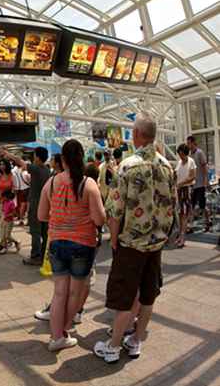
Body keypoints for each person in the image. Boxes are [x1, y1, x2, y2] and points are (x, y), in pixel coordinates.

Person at [96, 113, 176, 363]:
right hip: (156, 242)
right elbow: (171, 204)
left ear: (138, 135)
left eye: (132, 132)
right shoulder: (167, 165)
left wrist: (115, 238)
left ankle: (113, 346)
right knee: (148, 293)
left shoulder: (128, 165)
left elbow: (116, 209)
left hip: (132, 242)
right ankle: (136, 340)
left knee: (124, 294)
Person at [37, 139, 105, 352]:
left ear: (63, 159)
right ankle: (64, 331)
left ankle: (56, 337)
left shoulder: (52, 182)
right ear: (82, 157)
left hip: (57, 242)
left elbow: (41, 215)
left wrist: (61, 218)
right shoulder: (89, 184)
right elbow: (99, 219)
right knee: (75, 293)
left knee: (59, 293)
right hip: (82, 244)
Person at [2, 147, 52, 266]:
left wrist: (8, 154)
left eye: (34, 155)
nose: (33, 158)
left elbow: (20, 161)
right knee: (45, 232)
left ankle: (35, 256)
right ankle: (44, 255)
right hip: (46, 204)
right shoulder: (46, 170)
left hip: (36, 205)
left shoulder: (36, 168)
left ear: (38, 157)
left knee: (35, 231)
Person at [186, 135, 210, 232]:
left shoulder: (200, 153)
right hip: (193, 185)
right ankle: (190, 226)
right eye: (187, 143)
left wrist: (205, 181)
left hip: (200, 184)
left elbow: (204, 168)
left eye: (188, 143)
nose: (188, 145)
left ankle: (207, 222)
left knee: (202, 206)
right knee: (191, 206)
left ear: (193, 142)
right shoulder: (190, 155)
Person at [175, 144, 196, 248]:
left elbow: (192, 177)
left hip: (186, 190)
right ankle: (180, 235)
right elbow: (176, 175)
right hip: (179, 190)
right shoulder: (179, 162)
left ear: (185, 153)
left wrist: (181, 183)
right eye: (179, 154)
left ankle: (182, 237)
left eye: (182, 154)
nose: (180, 156)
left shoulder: (191, 161)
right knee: (180, 213)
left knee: (184, 214)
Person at [0, 189, 21, 255]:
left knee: (7, 236)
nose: (2, 198)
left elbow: (14, 213)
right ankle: (4, 247)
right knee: (2, 235)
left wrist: (7, 215)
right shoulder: (4, 202)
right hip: (4, 220)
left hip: (9, 221)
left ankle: (16, 242)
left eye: (3, 197)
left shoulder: (11, 203)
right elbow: (2, 210)